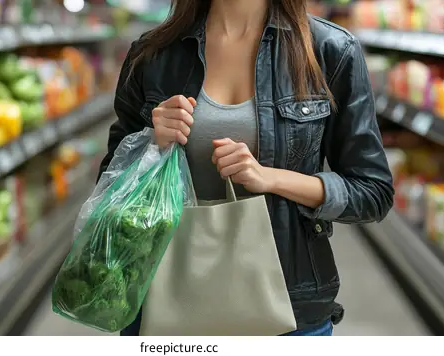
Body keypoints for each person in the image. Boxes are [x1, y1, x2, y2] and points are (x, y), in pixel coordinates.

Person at [98, 0, 394, 336]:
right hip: (166, 301)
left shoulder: (329, 51)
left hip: (286, 305)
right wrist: (152, 144)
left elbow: (372, 192)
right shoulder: (154, 54)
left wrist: (272, 178)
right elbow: (110, 188)